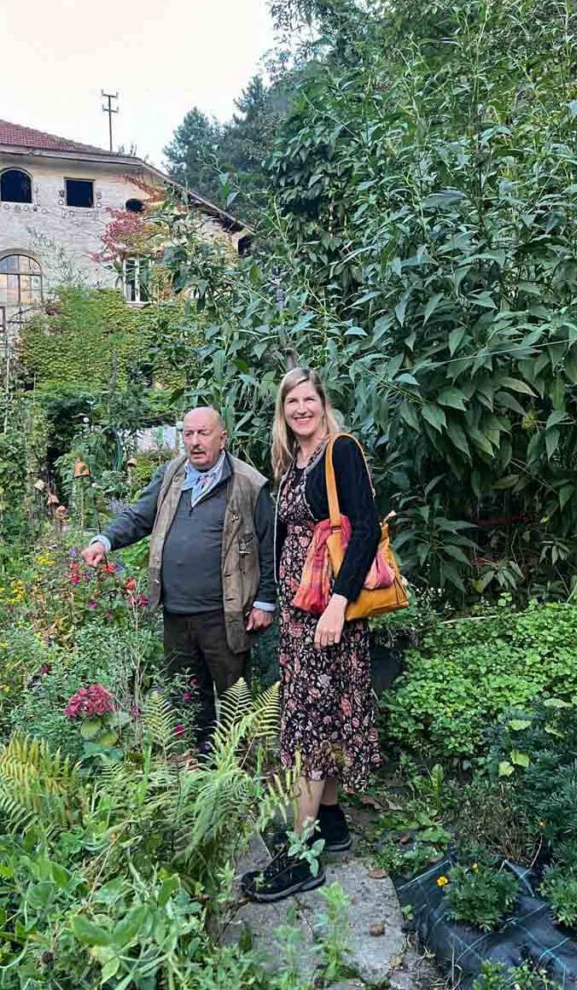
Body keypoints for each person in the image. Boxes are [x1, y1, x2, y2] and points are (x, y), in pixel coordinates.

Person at [242, 368, 382, 903]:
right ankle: (332, 825)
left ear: (323, 405)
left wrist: (340, 606)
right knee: (316, 713)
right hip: (304, 609)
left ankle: (302, 858)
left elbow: (364, 529)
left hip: (330, 611)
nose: (301, 408)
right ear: (283, 412)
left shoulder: (339, 451)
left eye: (309, 399)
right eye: (291, 402)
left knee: (310, 722)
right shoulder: (291, 461)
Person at [81, 407, 275, 748]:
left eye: (203, 434)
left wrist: (265, 601)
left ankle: (237, 769)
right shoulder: (172, 475)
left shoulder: (248, 483)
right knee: (188, 693)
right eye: (188, 434)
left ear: (222, 438)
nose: (195, 442)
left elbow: (269, 545)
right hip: (176, 612)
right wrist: (104, 540)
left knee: (234, 696)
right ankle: (202, 764)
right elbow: (139, 516)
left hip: (225, 614)